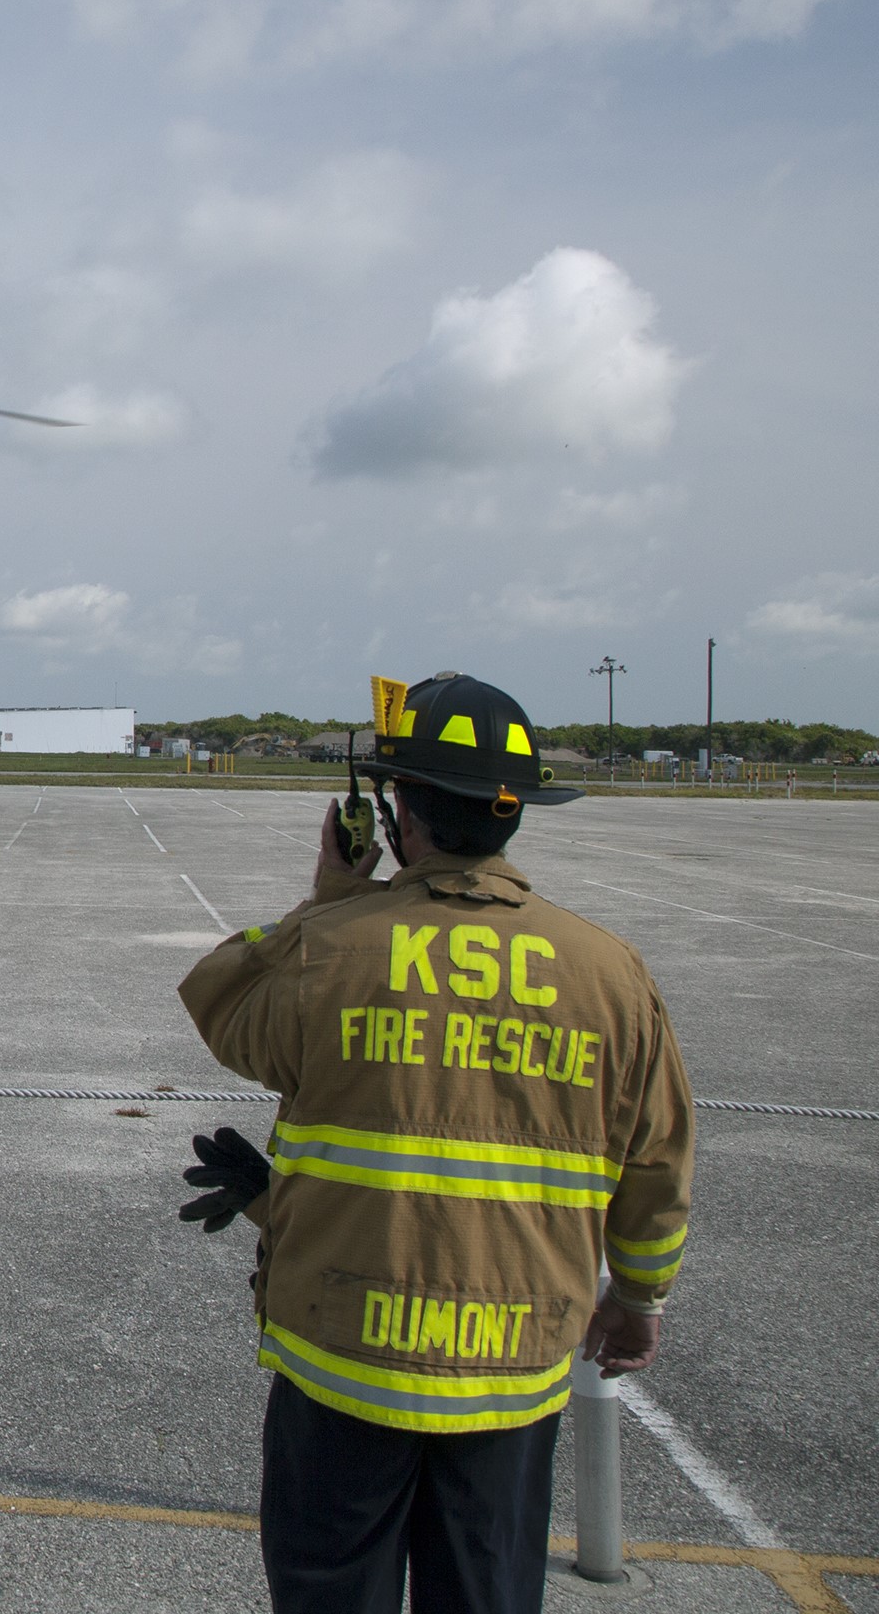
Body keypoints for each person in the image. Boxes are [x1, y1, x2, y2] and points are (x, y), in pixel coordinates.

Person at [175, 673, 693, 1614]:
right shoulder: (613, 975)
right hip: (511, 1371)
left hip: (342, 1360)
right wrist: (641, 1298)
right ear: (517, 815)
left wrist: (330, 898)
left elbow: (217, 998)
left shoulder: (333, 949)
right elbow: (657, 1166)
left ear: (398, 811)